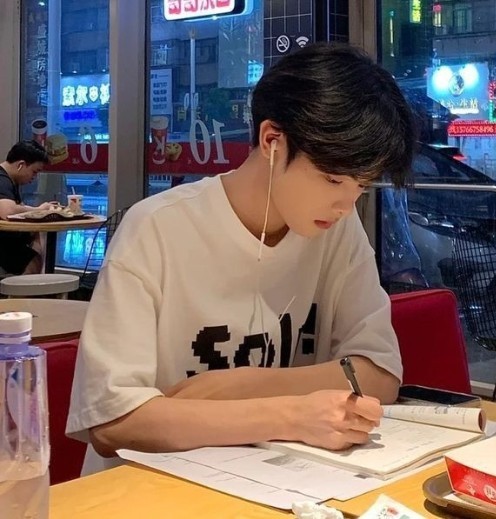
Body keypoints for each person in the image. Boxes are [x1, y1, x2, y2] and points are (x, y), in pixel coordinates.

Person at [66, 42, 416, 474]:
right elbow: (112, 423)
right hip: (149, 489)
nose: (346, 205)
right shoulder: (156, 227)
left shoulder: (337, 232)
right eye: (332, 180)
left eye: (360, 186)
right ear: (272, 140)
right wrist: (290, 414)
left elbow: (380, 374)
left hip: (277, 481)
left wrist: (239, 386)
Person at [0, 140, 55, 274]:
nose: (34, 177)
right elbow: (7, 211)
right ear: (21, 165)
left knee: (34, 235)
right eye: (34, 172)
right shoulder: (2, 180)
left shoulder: (10, 181)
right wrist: (40, 210)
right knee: (32, 258)